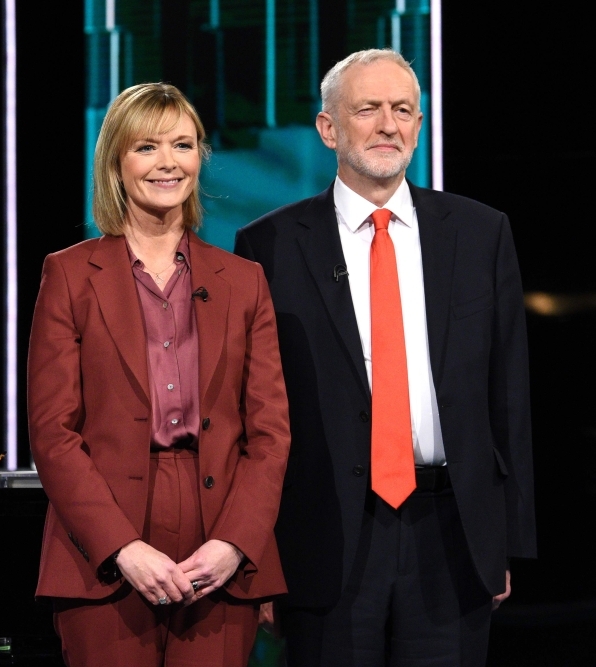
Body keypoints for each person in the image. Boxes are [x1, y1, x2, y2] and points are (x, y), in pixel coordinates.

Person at [234, 49, 536, 666]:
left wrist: (504, 538)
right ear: (327, 129)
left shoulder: (481, 232)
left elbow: (509, 392)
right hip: (323, 538)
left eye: (403, 110)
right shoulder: (267, 245)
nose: (388, 125)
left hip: (453, 534)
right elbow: (250, 411)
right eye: (367, 109)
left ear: (420, 126)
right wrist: (256, 549)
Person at [27, 82, 291, 667]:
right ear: (117, 162)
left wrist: (233, 543)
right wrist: (120, 546)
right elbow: (52, 431)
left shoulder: (243, 280)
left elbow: (270, 433)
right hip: (104, 541)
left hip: (216, 532)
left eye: (183, 144)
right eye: (147, 147)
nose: (169, 162)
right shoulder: (69, 275)